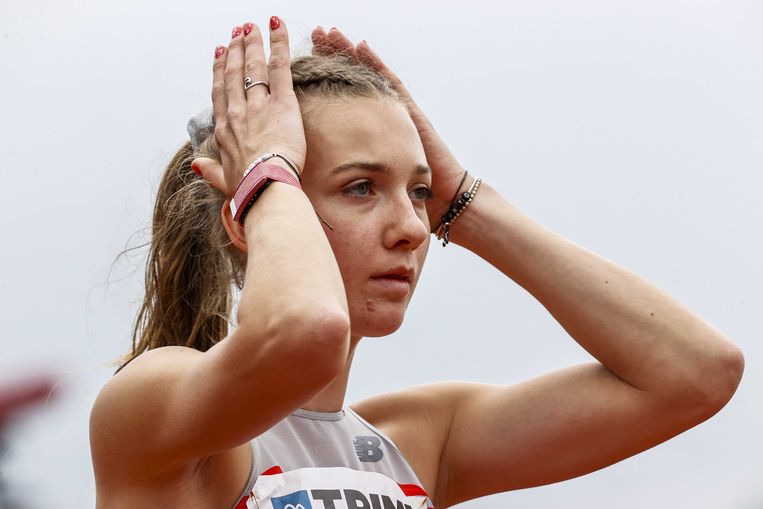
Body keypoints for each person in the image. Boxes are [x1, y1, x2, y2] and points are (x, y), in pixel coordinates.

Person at [89, 17, 745, 509]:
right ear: (246, 216)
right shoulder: (159, 412)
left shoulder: (417, 440)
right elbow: (305, 336)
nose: (411, 227)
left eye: (419, 193)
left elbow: (695, 373)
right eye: (359, 187)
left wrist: (463, 199)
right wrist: (266, 171)